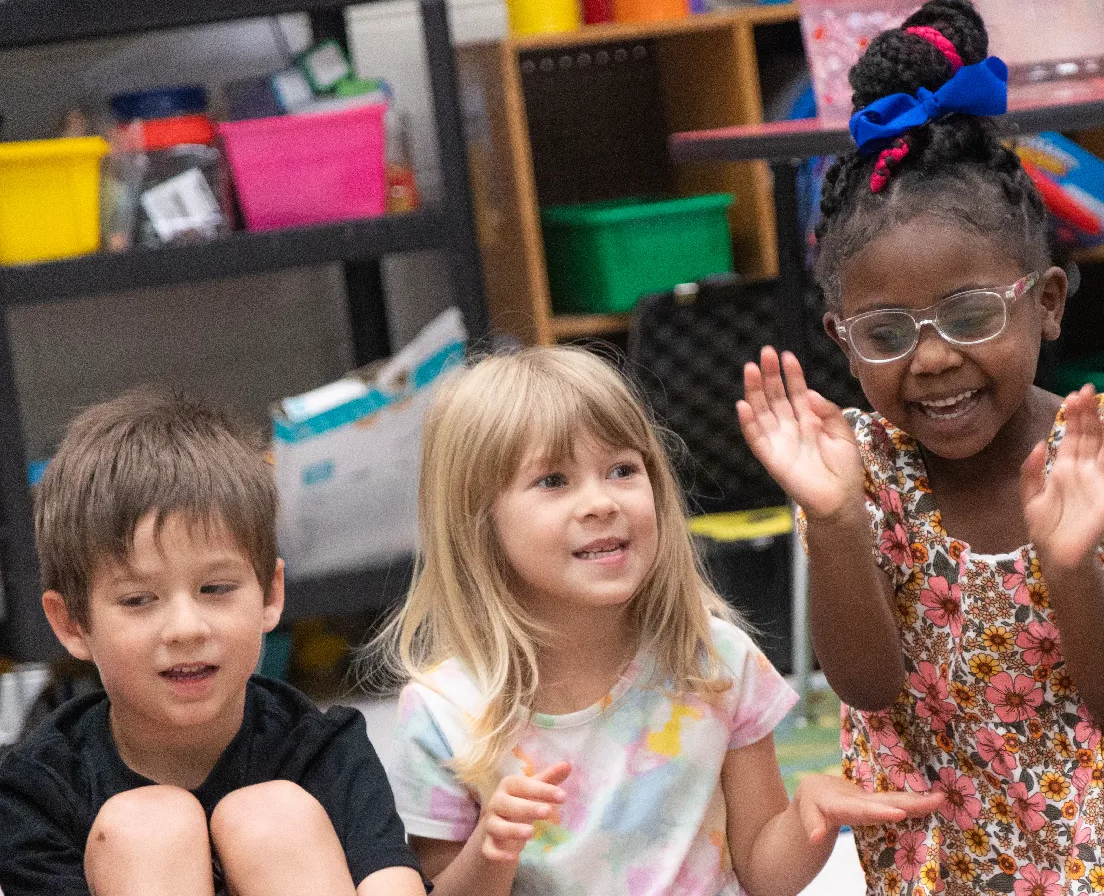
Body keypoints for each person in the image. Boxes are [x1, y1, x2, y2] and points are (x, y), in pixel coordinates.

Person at [735, 0, 1104, 894]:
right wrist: (834, 522)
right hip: (949, 868)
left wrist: (1067, 561)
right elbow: (866, 686)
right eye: (886, 332)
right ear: (840, 337)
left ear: (1045, 301)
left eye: (971, 316)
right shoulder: (857, 465)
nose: (933, 359)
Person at [377, 347, 938, 896]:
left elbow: (764, 875)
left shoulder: (717, 661)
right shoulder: (442, 712)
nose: (600, 502)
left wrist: (806, 821)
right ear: (479, 524)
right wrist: (491, 850)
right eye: (553, 480)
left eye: (622, 469)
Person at [0, 390, 426, 896]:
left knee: (272, 816)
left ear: (270, 594)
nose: (186, 628)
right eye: (138, 599)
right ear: (71, 623)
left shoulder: (322, 750)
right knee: (146, 826)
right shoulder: (40, 787)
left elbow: (393, 882)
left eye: (216, 589)